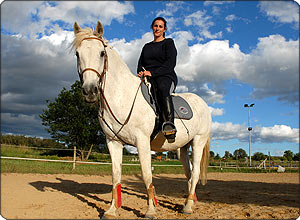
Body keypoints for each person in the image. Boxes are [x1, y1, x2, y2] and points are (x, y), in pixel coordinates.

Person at [137, 17, 178, 142]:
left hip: (166, 76)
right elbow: (140, 63)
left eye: (160, 26)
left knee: (162, 87)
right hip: (148, 77)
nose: (157, 28)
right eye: (155, 26)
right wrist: (141, 72)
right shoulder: (146, 46)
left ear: (164, 29)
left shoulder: (168, 43)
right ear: (152, 27)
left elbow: (170, 64)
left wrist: (152, 72)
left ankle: (169, 125)